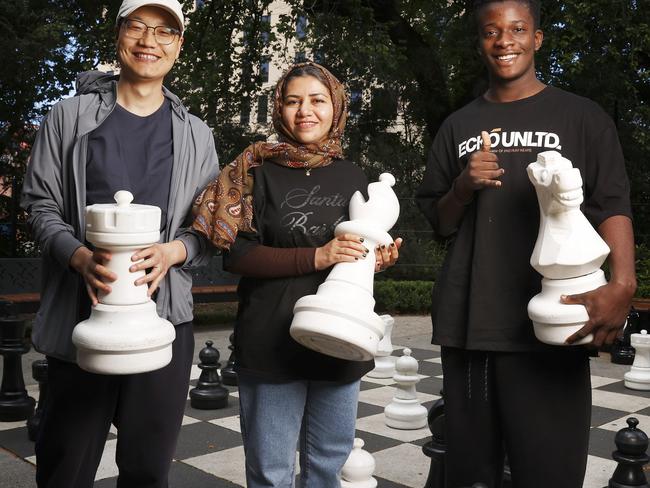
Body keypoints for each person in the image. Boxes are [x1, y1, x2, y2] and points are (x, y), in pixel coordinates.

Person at [415, 1, 636, 487]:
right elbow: (439, 221)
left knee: (549, 473)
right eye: (491, 31)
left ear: (537, 38)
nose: (504, 40)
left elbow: (612, 202)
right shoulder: (458, 125)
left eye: (518, 29)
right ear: (480, 43)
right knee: (472, 476)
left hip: (555, 320)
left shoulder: (582, 117)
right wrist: (462, 187)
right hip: (473, 323)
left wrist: (624, 283)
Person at [20, 0, 219, 486]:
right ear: (119, 34)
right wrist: (79, 256)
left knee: (148, 471)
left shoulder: (196, 135)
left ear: (179, 45)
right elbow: (39, 204)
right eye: (138, 26)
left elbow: (211, 226)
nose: (150, 41)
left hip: (164, 321)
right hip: (80, 320)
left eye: (165, 31)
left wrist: (176, 252)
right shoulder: (69, 117)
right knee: (65, 467)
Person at [192, 62, 402, 487]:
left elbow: (359, 244)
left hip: (340, 341)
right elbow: (237, 256)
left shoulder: (352, 175)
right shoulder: (255, 173)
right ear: (279, 109)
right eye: (293, 101)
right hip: (269, 342)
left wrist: (374, 259)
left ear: (337, 107)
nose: (305, 111)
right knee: (271, 473)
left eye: (317, 100)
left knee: (327, 465)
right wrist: (317, 256)